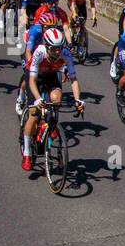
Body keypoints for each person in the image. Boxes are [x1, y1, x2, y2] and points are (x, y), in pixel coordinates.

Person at [20, 27, 84, 172]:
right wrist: (37, 99)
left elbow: (73, 79)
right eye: (54, 49)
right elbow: (31, 81)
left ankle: (51, 124)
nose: (57, 52)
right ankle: (27, 153)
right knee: (34, 113)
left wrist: (78, 100)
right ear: (47, 46)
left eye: (59, 48)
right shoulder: (39, 52)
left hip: (50, 75)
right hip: (34, 77)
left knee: (56, 99)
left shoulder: (65, 54)